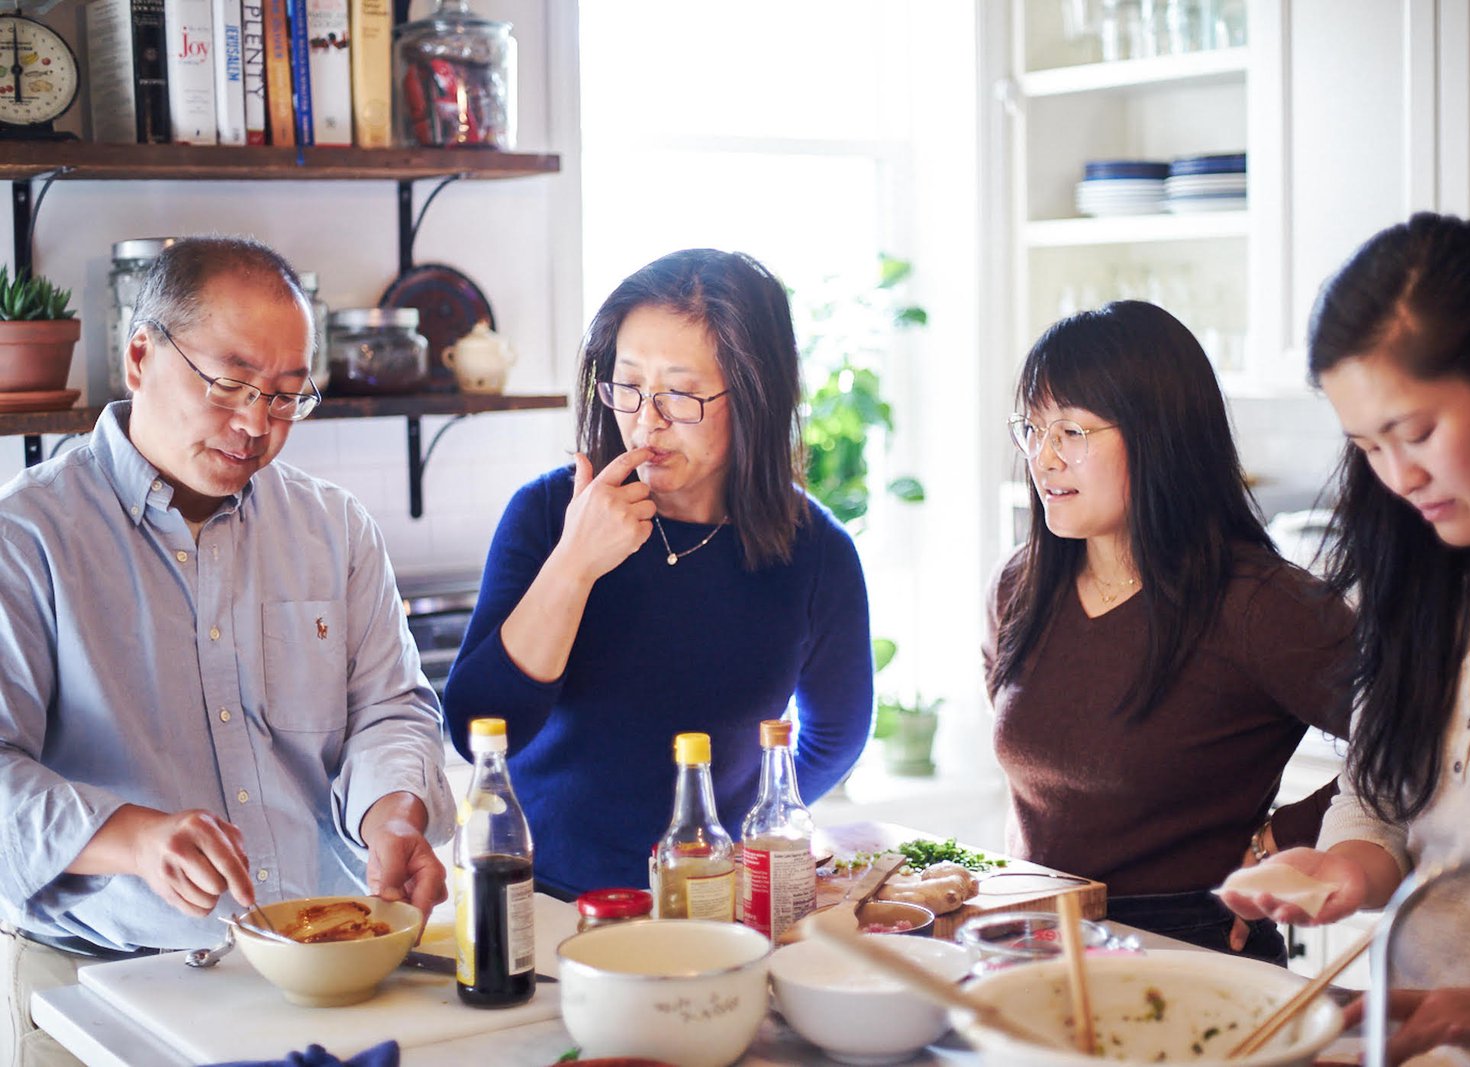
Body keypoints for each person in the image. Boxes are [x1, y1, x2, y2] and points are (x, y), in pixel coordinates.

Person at [0, 237, 454, 1067]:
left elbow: (390, 709)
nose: (256, 424)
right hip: (107, 985)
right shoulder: (27, 536)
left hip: (329, 974)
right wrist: (132, 837)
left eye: (285, 396)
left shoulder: (334, 528)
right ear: (140, 356)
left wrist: (395, 814)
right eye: (230, 384)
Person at [1219, 213, 1470, 1058]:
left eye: (1419, 433)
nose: (1400, 479)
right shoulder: (1431, 561)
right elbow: (1379, 793)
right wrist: (1348, 865)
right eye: (1369, 447)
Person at [443, 248, 873, 898]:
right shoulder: (549, 513)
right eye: (628, 383)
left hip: (712, 904)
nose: (648, 419)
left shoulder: (815, 551)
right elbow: (478, 725)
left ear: (754, 395)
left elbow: (837, 733)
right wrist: (574, 564)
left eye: (681, 392)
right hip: (545, 904)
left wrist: (742, 830)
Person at [984, 300, 1354, 964]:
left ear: (1158, 433)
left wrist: (1281, 843)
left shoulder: (1258, 602)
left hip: (1190, 952)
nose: (1043, 458)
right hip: (1036, 945)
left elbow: (1420, 739)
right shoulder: (1021, 585)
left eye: (1070, 429)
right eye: (1032, 428)